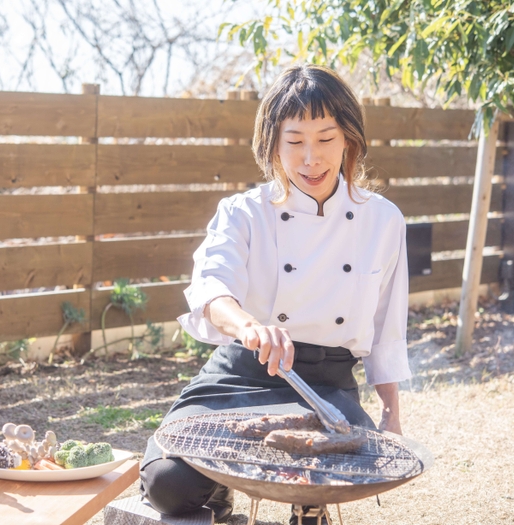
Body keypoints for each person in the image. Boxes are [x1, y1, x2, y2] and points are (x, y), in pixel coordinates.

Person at [139, 64, 411, 524]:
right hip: (244, 370)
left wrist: (391, 409)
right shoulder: (244, 212)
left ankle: (309, 511)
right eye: (295, 141)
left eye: (325, 140)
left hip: (326, 384)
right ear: (272, 144)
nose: (311, 158)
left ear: (348, 139)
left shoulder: (383, 220)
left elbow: (387, 327)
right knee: (168, 485)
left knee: (328, 475)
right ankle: (216, 490)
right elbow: (211, 288)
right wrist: (250, 327)